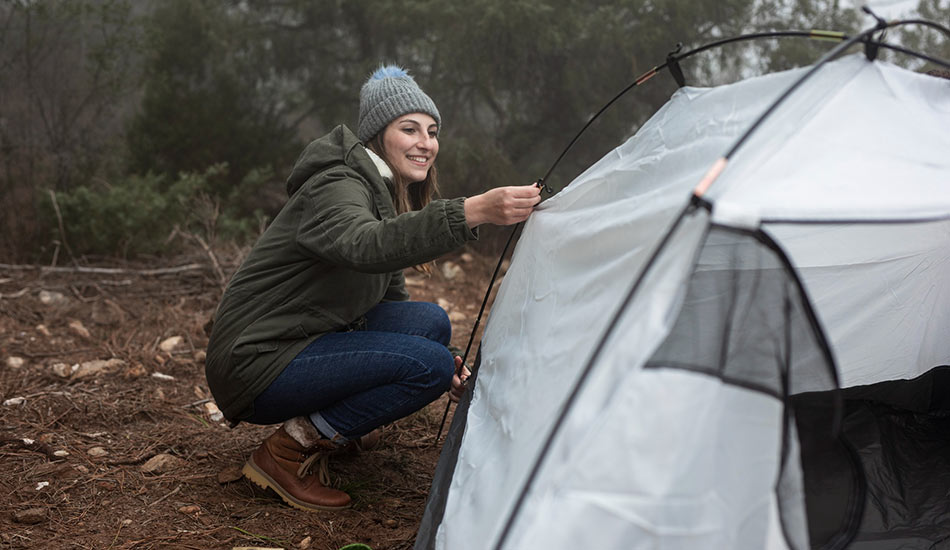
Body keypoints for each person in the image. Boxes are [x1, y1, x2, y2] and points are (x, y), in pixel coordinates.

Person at [204, 65, 541, 511]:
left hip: (301, 338)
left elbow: (387, 293)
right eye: (410, 129)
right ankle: (285, 452)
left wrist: (452, 364)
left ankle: (337, 426)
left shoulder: (381, 189)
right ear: (378, 134)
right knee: (426, 366)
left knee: (431, 326)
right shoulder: (337, 182)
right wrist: (471, 211)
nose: (426, 143)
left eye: (433, 131)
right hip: (257, 360)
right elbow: (365, 246)